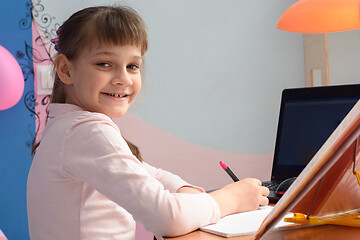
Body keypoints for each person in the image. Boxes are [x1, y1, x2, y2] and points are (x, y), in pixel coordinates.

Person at [27, 5, 269, 240]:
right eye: (105, 64)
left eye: (132, 66)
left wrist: (185, 190)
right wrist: (231, 199)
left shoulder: (66, 126)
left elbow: (150, 173)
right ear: (66, 70)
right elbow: (167, 218)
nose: (123, 78)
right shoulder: (86, 130)